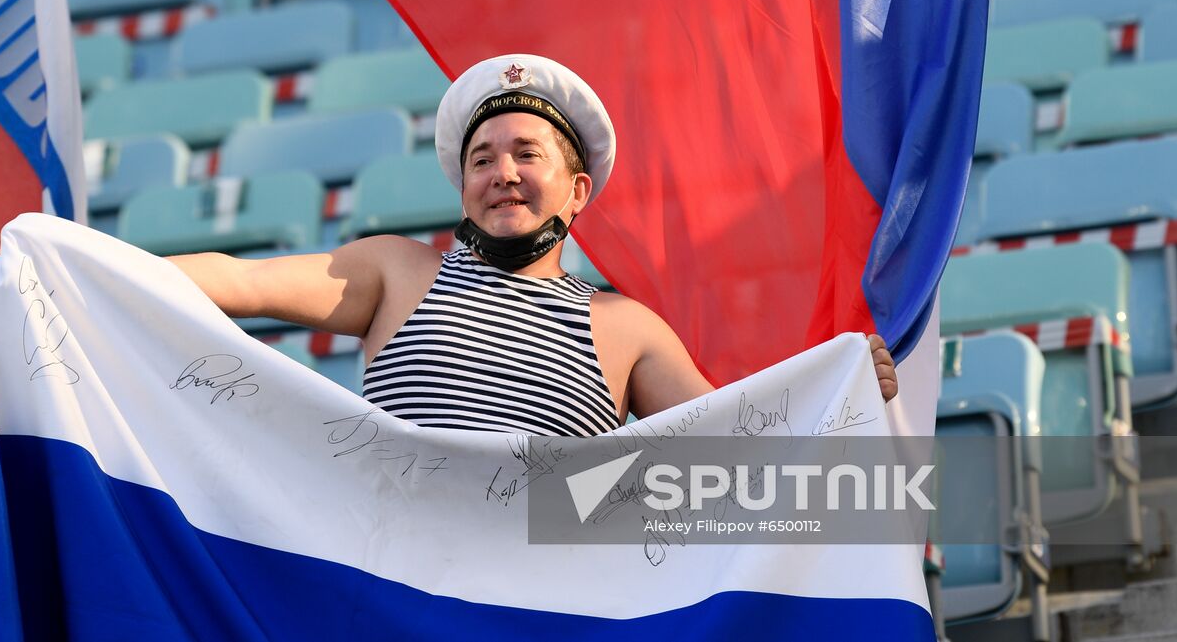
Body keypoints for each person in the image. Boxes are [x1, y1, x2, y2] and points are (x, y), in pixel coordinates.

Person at [167, 54, 897, 436]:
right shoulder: (393, 271)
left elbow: (738, 446)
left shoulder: (626, 327)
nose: (502, 174)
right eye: (481, 159)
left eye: (525, 154)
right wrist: (71, 265)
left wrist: (840, 388)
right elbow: (240, 281)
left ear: (578, 191)